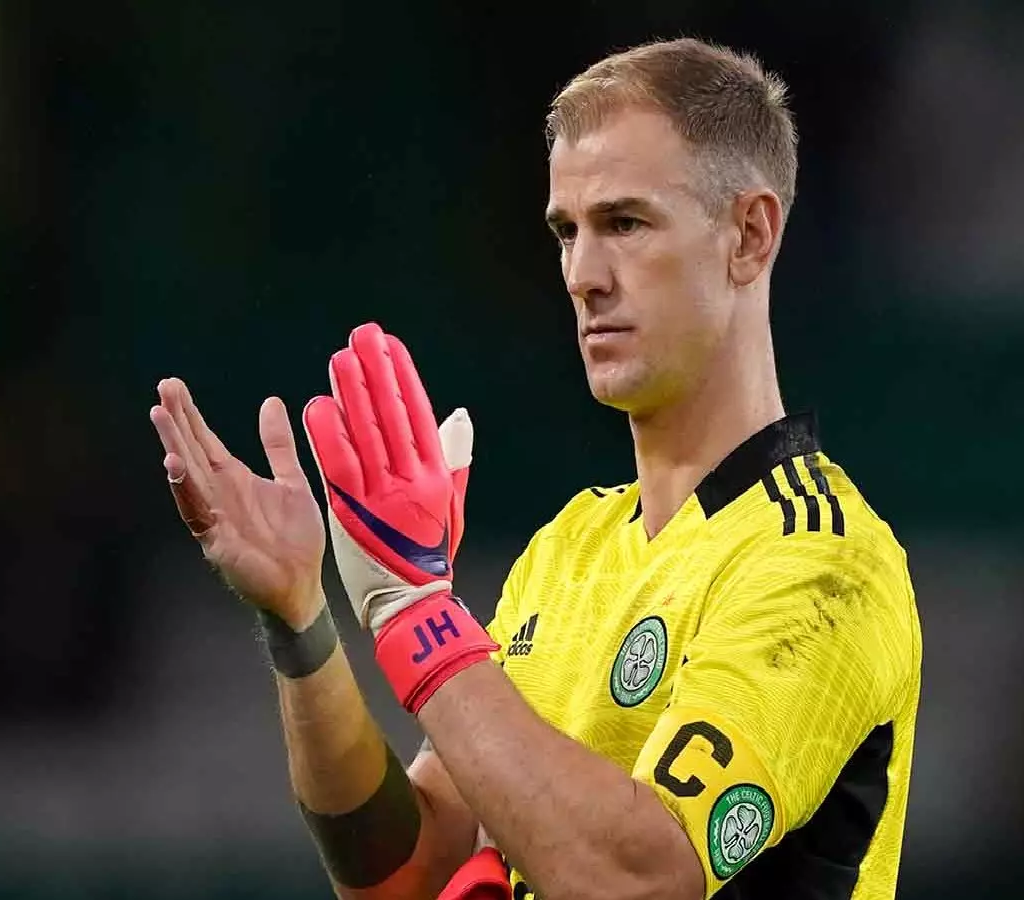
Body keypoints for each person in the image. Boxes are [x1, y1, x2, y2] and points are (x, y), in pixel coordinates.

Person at [149, 37, 921, 900]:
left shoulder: (822, 563)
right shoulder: (568, 551)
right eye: (567, 231)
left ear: (749, 234)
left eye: (625, 223)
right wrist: (303, 621)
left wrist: (415, 617)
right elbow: (402, 870)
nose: (583, 276)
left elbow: (637, 879)